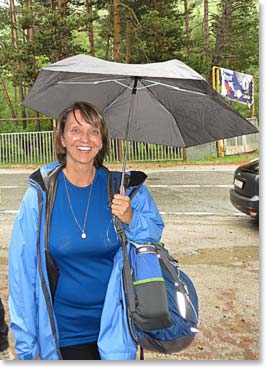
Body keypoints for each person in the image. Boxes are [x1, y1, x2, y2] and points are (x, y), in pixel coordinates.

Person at [8, 101, 164, 360]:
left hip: (117, 330)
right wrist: (28, 347)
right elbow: (21, 273)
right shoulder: (41, 193)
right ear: (61, 138)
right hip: (62, 334)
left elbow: (152, 236)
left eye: (94, 131)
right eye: (76, 130)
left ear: (102, 141)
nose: (85, 139)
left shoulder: (124, 188)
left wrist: (131, 217)